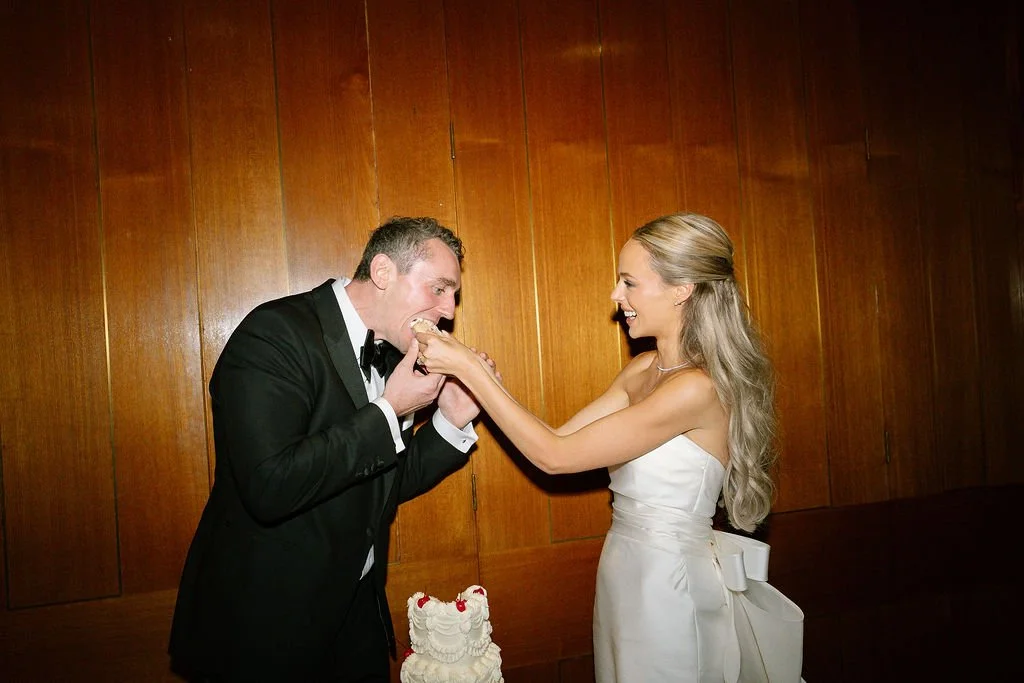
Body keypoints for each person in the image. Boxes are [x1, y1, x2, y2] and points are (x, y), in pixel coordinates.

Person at [416, 213, 804, 682]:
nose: (616, 296)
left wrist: (468, 370)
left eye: (629, 282)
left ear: (681, 289)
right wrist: (479, 386)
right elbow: (560, 439)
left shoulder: (697, 389)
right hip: (622, 572)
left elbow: (553, 459)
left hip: (671, 586)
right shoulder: (643, 370)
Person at [170, 217, 490, 682]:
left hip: (354, 617)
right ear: (383, 273)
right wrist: (391, 409)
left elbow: (382, 482)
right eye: (439, 288)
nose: (450, 308)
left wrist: (450, 421)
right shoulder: (274, 334)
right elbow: (270, 486)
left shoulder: (393, 354)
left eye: (454, 294)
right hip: (265, 630)